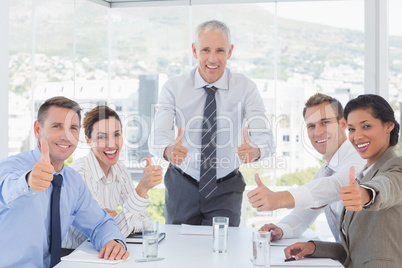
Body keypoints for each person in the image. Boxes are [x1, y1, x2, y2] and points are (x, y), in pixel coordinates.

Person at [149, 20, 274, 226]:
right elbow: (157, 136)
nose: (212, 59)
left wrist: (256, 150)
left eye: (220, 50)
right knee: (180, 250)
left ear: (230, 51)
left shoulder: (245, 88)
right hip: (182, 183)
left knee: (223, 250)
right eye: (205, 50)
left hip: (226, 186)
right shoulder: (173, 87)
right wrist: (167, 149)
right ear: (194, 50)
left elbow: (265, 138)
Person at [0, 97, 129, 267]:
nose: (66, 136)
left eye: (72, 128)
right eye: (56, 126)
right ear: (38, 130)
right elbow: (6, 190)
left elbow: (99, 223)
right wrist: (29, 181)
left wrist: (113, 241)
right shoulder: (13, 166)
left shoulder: (72, 181)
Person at [284, 94, 402, 268]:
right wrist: (314, 247)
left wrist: (365, 194)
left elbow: (386, 187)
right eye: (352, 129)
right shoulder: (363, 174)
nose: (357, 136)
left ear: (389, 126)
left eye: (366, 126)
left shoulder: (396, 168)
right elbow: (355, 250)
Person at [248, 93, 365, 242]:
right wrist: (280, 229)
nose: (318, 132)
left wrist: (278, 199)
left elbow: (335, 186)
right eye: (311, 126)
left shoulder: (358, 156)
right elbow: (302, 216)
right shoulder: (325, 171)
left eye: (325, 122)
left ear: (343, 124)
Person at [62, 105, 162, 249]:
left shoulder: (119, 169)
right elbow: (105, 235)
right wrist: (142, 189)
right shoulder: (80, 174)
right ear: (88, 140)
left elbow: (147, 221)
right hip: (73, 255)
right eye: (102, 137)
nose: (111, 144)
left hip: (100, 255)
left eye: (116, 134)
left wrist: (120, 222)